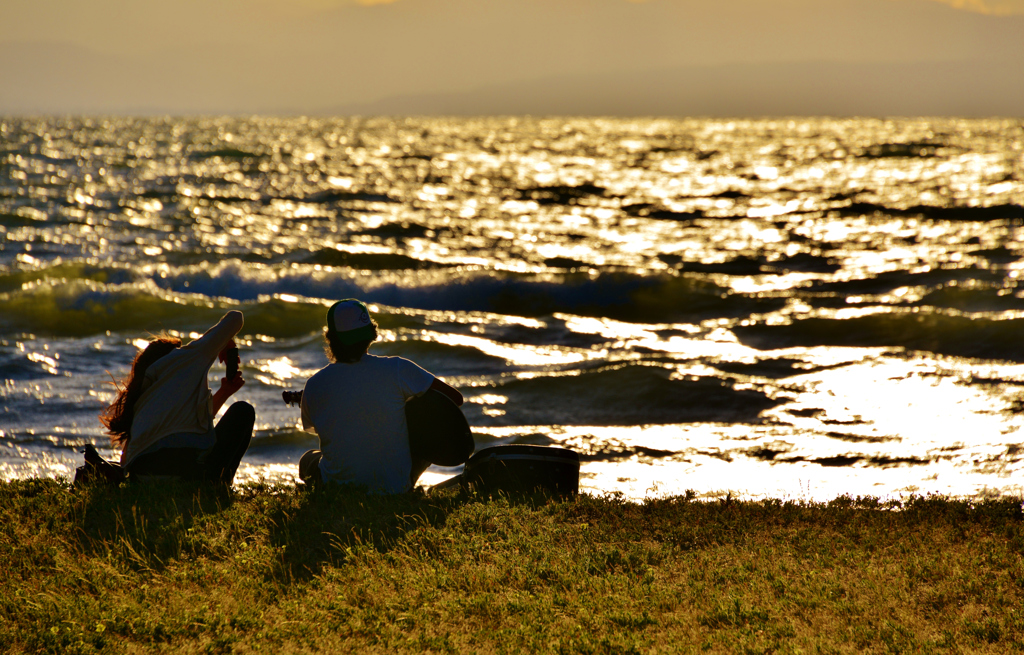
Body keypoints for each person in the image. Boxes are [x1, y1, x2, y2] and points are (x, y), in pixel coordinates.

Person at [299, 299, 464, 493]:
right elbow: (455, 398)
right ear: (370, 335)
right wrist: (411, 415)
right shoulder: (397, 368)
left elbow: (325, 429)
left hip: (337, 489)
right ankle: (404, 483)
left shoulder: (315, 383)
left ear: (331, 338)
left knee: (308, 459)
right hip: (395, 489)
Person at [99, 310, 254, 484]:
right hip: (185, 473)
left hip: (141, 477)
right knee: (243, 411)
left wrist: (225, 391)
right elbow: (235, 318)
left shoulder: (143, 397)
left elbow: (186, 423)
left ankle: (213, 486)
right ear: (174, 354)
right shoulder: (182, 359)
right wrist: (224, 342)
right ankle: (218, 486)